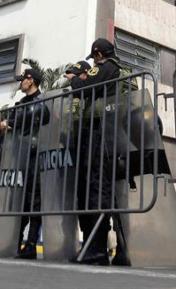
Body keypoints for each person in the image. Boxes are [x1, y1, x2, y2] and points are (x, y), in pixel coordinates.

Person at [65, 38, 129, 266]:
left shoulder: (105, 67)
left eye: (95, 58)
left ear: (98, 55)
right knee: (102, 188)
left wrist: (74, 81)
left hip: (101, 131)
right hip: (112, 132)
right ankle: (99, 247)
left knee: (97, 187)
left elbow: (83, 89)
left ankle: (97, 249)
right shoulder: (121, 69)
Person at [1, 68, 48, 260]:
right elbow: (11, 123)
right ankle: (17, 241)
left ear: (31, 80)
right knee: (20, 199)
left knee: (34, 200)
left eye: (23, 80)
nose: (21, 83)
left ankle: (30, 244)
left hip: (35, 155)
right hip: (19, 155)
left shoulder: (42, 102)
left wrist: (11, 123)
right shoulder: (21, 103)